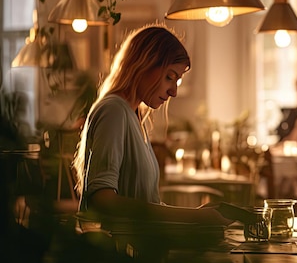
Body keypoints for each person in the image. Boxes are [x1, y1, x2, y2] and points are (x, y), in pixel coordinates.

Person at [73, 24, 229, 226]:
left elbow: (145, 204)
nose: (173, 91)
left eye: (177, 81)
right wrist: (192, 217)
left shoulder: (134, 116)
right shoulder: (114, 111)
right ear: (143, 64)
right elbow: (102, 200)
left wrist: (194, 215)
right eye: (169, 77)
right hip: (119, 254)